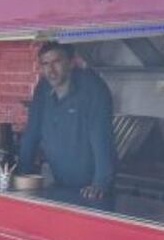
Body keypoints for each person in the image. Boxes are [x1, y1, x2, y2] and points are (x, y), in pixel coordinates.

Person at [18, 41, 115, 200]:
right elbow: (32, 133)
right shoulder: (43, 88)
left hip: (91, 188)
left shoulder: (93, 88)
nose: (51, 70)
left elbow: (102, 138)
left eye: (57, 62)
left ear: (71, 63)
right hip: (59, 180)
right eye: (45, 64)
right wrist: (21, 174)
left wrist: (100, 184)